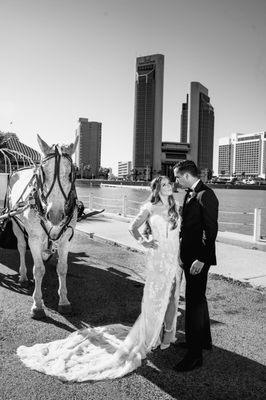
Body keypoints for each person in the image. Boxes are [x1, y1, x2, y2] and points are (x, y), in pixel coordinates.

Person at [17, 176, 183, 381]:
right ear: (157, 189)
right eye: (165, 184)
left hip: (173, 259)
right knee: (156, 298)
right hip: (158, 259)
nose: (169, 186)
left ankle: (167, 333)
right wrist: (145, 241)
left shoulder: (176, 207)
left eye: (170, 184)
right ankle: (151, 336)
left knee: (171, 297)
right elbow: (133, 228)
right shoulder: (149, 206)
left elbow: (177, 234)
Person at [173, 160, 219, 372]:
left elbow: (210, 231)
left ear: (187, 176)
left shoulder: (205, 195)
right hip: (188, 257)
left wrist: (201, 259)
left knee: (193, 304)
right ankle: (202, 341)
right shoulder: (190, 193)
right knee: (198, 300)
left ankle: (194, 356)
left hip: (197, 260)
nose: (176, 180)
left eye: (177, 177)